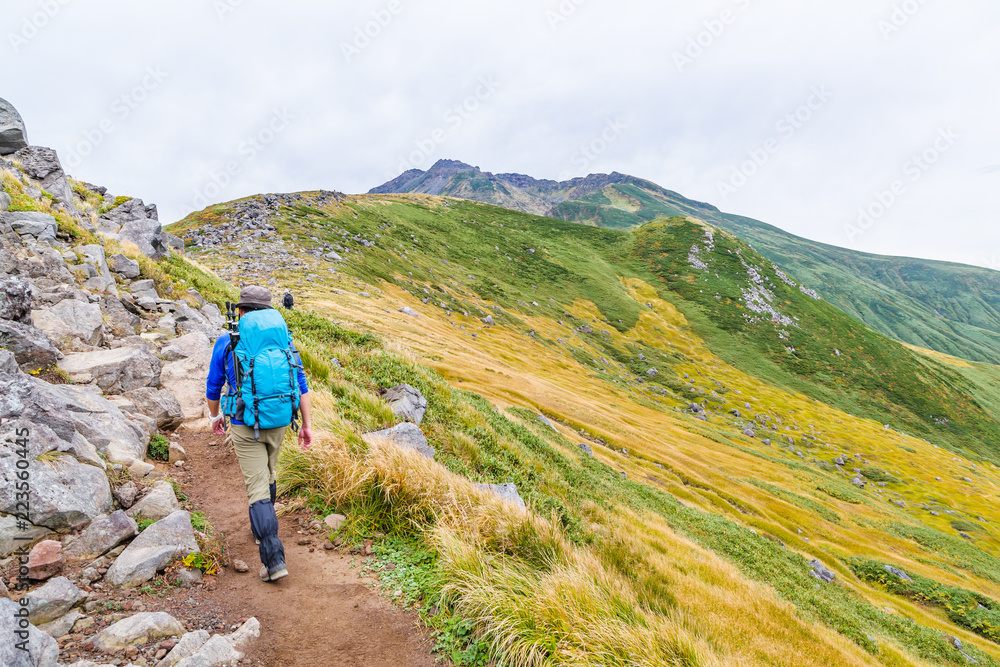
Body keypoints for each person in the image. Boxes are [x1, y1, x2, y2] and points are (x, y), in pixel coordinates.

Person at [205, 286, 313, 583]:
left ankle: (273, 559)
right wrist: (306, 425)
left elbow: (213, 386)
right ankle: (260, 530)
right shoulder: (285, 341)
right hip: (280, 419)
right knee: (269, 473)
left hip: (244, 422)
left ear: (241, 311)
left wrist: (215, 416)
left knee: (256, 490)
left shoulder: (227, 342)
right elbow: (300, 383)